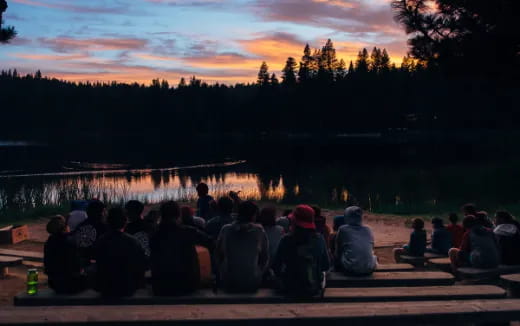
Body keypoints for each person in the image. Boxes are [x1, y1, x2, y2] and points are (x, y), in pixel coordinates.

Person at [150, 201, 214, 296]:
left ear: (162, 215)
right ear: (178, 215)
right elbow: (211, 242)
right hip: (187, 286)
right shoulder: (189, 231)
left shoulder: (154, 235)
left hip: (161, 287)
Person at [272, 205, 330, 297]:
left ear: (294, 221)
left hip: (290, 288)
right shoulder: (319, 239)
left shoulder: (286, 239)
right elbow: (325, 265)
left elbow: (276, 266)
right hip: (313, 289)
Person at [216, 201, 268, 293]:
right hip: (252, 283)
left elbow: (218, 255)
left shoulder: (226, 229)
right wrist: (258, 272)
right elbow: (265, 258)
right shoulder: (259, 231)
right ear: (253, 215)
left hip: (228, 282)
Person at [94, 207, 146, 297]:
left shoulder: (101, 241)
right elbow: (141, 266)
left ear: (108, 222)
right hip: (127, 288)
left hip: (107, 288)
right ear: (125, 222)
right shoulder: (133, 242)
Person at [44, 215, 85, 294]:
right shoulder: (70, 242)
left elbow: (47, 268)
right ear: (65, 227)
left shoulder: (48, 243)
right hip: (72, 285)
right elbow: (77, 266)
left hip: (54, 284)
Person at [335, 206, 376, 275]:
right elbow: (371, 247)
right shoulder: (368, 229)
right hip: (369, 269)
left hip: (350, 269)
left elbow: (338, 251)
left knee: (341, 252)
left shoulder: (343, 229)